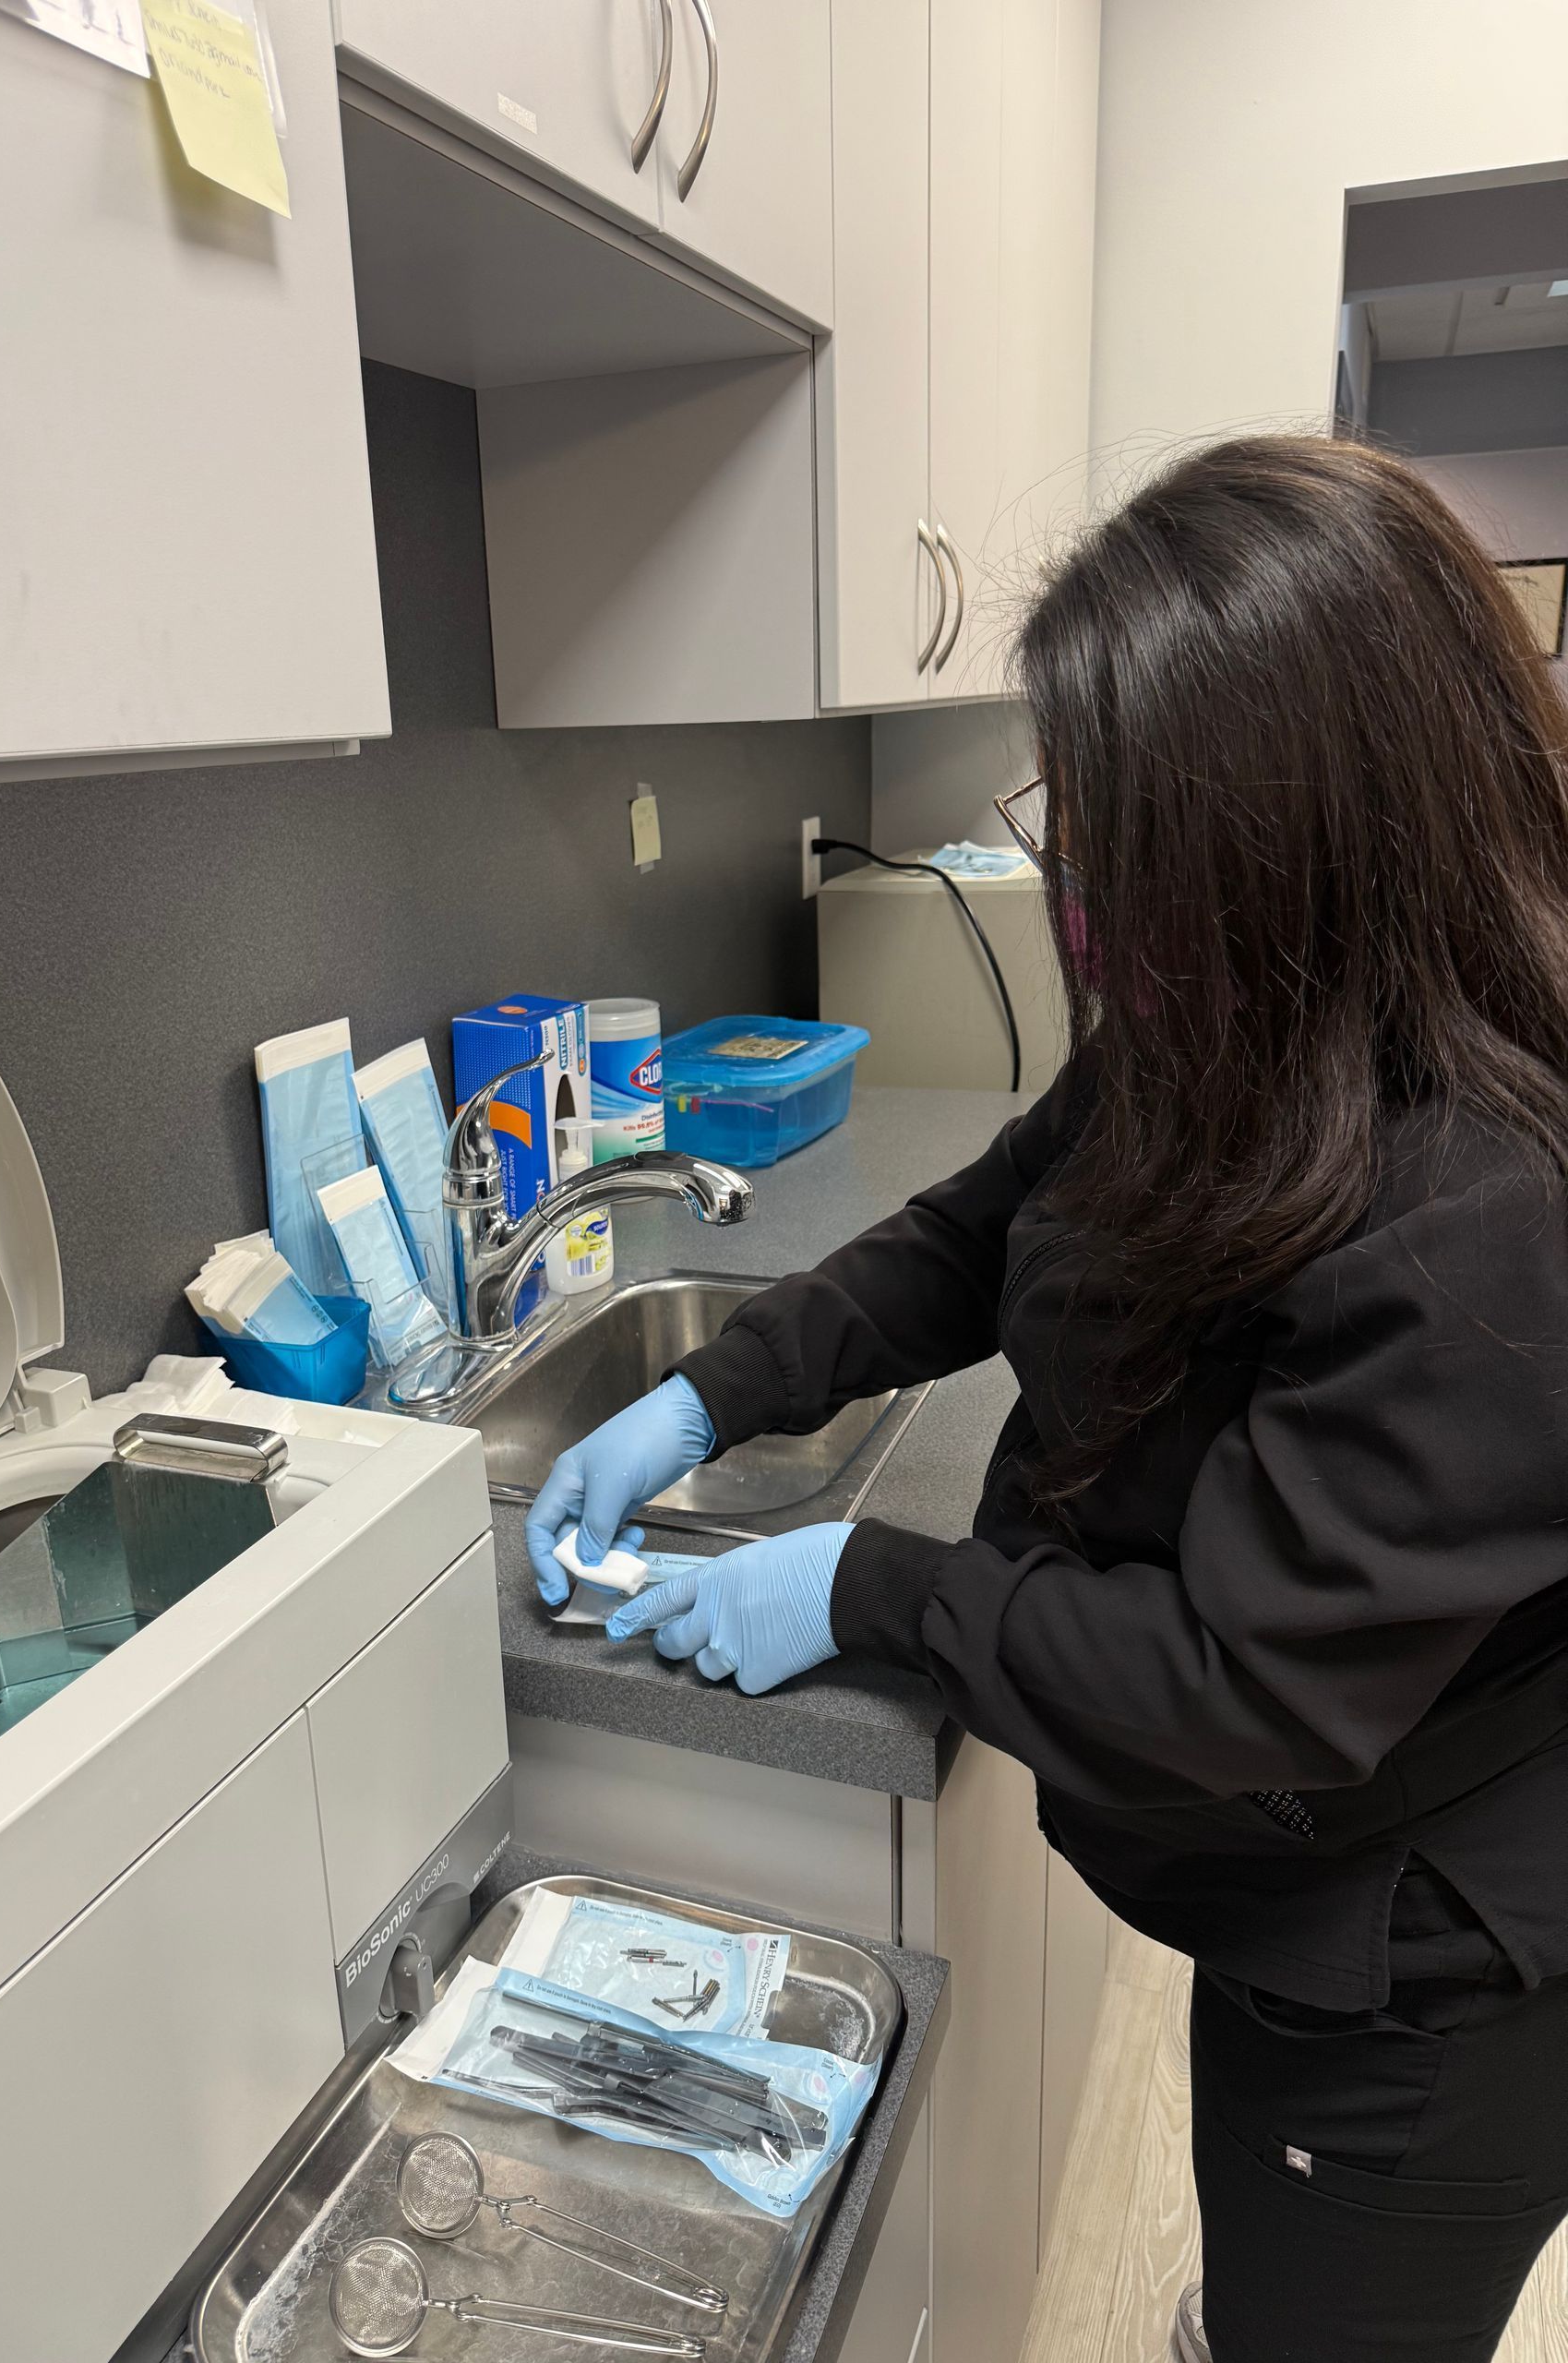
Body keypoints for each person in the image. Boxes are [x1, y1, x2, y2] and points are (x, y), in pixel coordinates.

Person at [526, 436, 1568, 2363]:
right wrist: (718, 1393)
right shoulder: (1244, 1021)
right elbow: (982, 1223)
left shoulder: (1490, 1208)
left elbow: (1234, 1686)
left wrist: (871, 1586)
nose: (1062, 876)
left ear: (1296, 838)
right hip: (1290, 1906)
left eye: (1106, 833)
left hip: (1428, 1972)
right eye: (1062, 811)